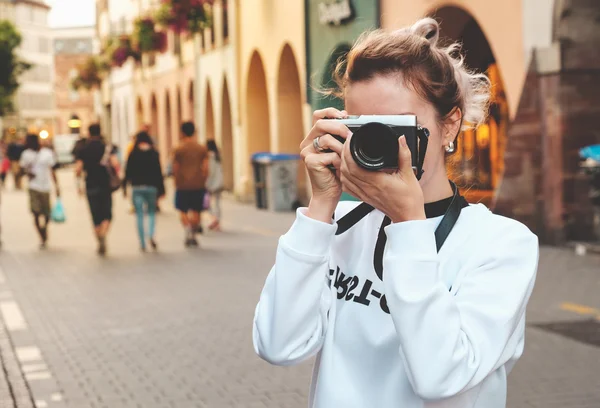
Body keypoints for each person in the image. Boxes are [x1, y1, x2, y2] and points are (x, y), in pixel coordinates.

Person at [252, 18, 539, 408]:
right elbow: (278, 345)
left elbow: (441, 375)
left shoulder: (502, 245)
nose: (380, 144)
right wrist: (320, 207)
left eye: (397, 128)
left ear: (450, 123)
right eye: (364, 129)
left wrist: (407, 222)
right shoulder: (339, 231)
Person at [75, 124, 119, 256]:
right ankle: (103, 234)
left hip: (90, 185)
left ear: (89, 133)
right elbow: (116, 163)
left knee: (95, 216)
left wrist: (78, 185)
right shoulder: (107, 147)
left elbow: (77, 169)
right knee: (107, 214)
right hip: (105, 185)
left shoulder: (83, 149)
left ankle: (99, 237)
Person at [123, 131, 165, 252]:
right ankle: (151, 234)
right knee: (151, 212)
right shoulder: (154, 153)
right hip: (152, 187)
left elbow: (127, 171)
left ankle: (142, 242)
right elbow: (158, 172)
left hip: (137, 188)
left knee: (139, 215)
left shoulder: (133, 153)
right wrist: (162, 189)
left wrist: (125, 187)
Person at [19, 134, 60, 249]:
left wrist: (57, 186)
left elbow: (52, 170)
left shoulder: (47, 153)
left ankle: (44, 228)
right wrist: (28, 173)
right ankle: (41, 235)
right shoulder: (26, 154)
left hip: (45, 187)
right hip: (33, 187)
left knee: (47, 213)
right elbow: (22, 168)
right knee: (35, 212)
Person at [172, 121, 209, 247]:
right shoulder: (201, 148)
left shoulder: (178, 148)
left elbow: (175, 167)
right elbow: (205, 167)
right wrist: (203, 179)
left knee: (182, 210)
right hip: (198, 184)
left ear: (182, 132)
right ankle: (193, 232)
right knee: (197, 210)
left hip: (182, 184)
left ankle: (187, 229)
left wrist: (176, 181)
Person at [206, 140, 224, 231]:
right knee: (217, 203)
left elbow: (210, 172)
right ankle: (217, 221)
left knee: (207, 203)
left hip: (211, 183)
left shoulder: (209, 157)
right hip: (219, 182)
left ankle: (214, 219)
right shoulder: (218, 156)